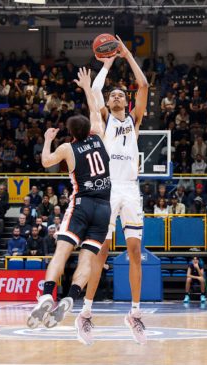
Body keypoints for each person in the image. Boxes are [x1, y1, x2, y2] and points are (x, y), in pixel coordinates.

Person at [27, 67, 112, 347]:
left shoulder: (67, 148)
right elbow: (94, 110)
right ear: (88, 129)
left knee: (62, 252)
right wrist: (87, 88)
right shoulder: (99, 136)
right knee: (87, 259)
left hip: (82, 204)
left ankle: (46, 295)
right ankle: (72, 297)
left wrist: (49, 139)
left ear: (71, 134)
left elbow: (45, 162)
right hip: (104, 207)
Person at [82, 36, 149, 345]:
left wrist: (128, 55)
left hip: (131, 190)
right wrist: (107, 64)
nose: (119, 96)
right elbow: (95, 90)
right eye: (115, 95)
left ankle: (134, 314)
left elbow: (144, 85)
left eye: (123, 94)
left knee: (135, 252)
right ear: (109, 104)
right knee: (102, 250)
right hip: (109, 189)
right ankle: (86, 313)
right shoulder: (106, 119)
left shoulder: (134, 121)